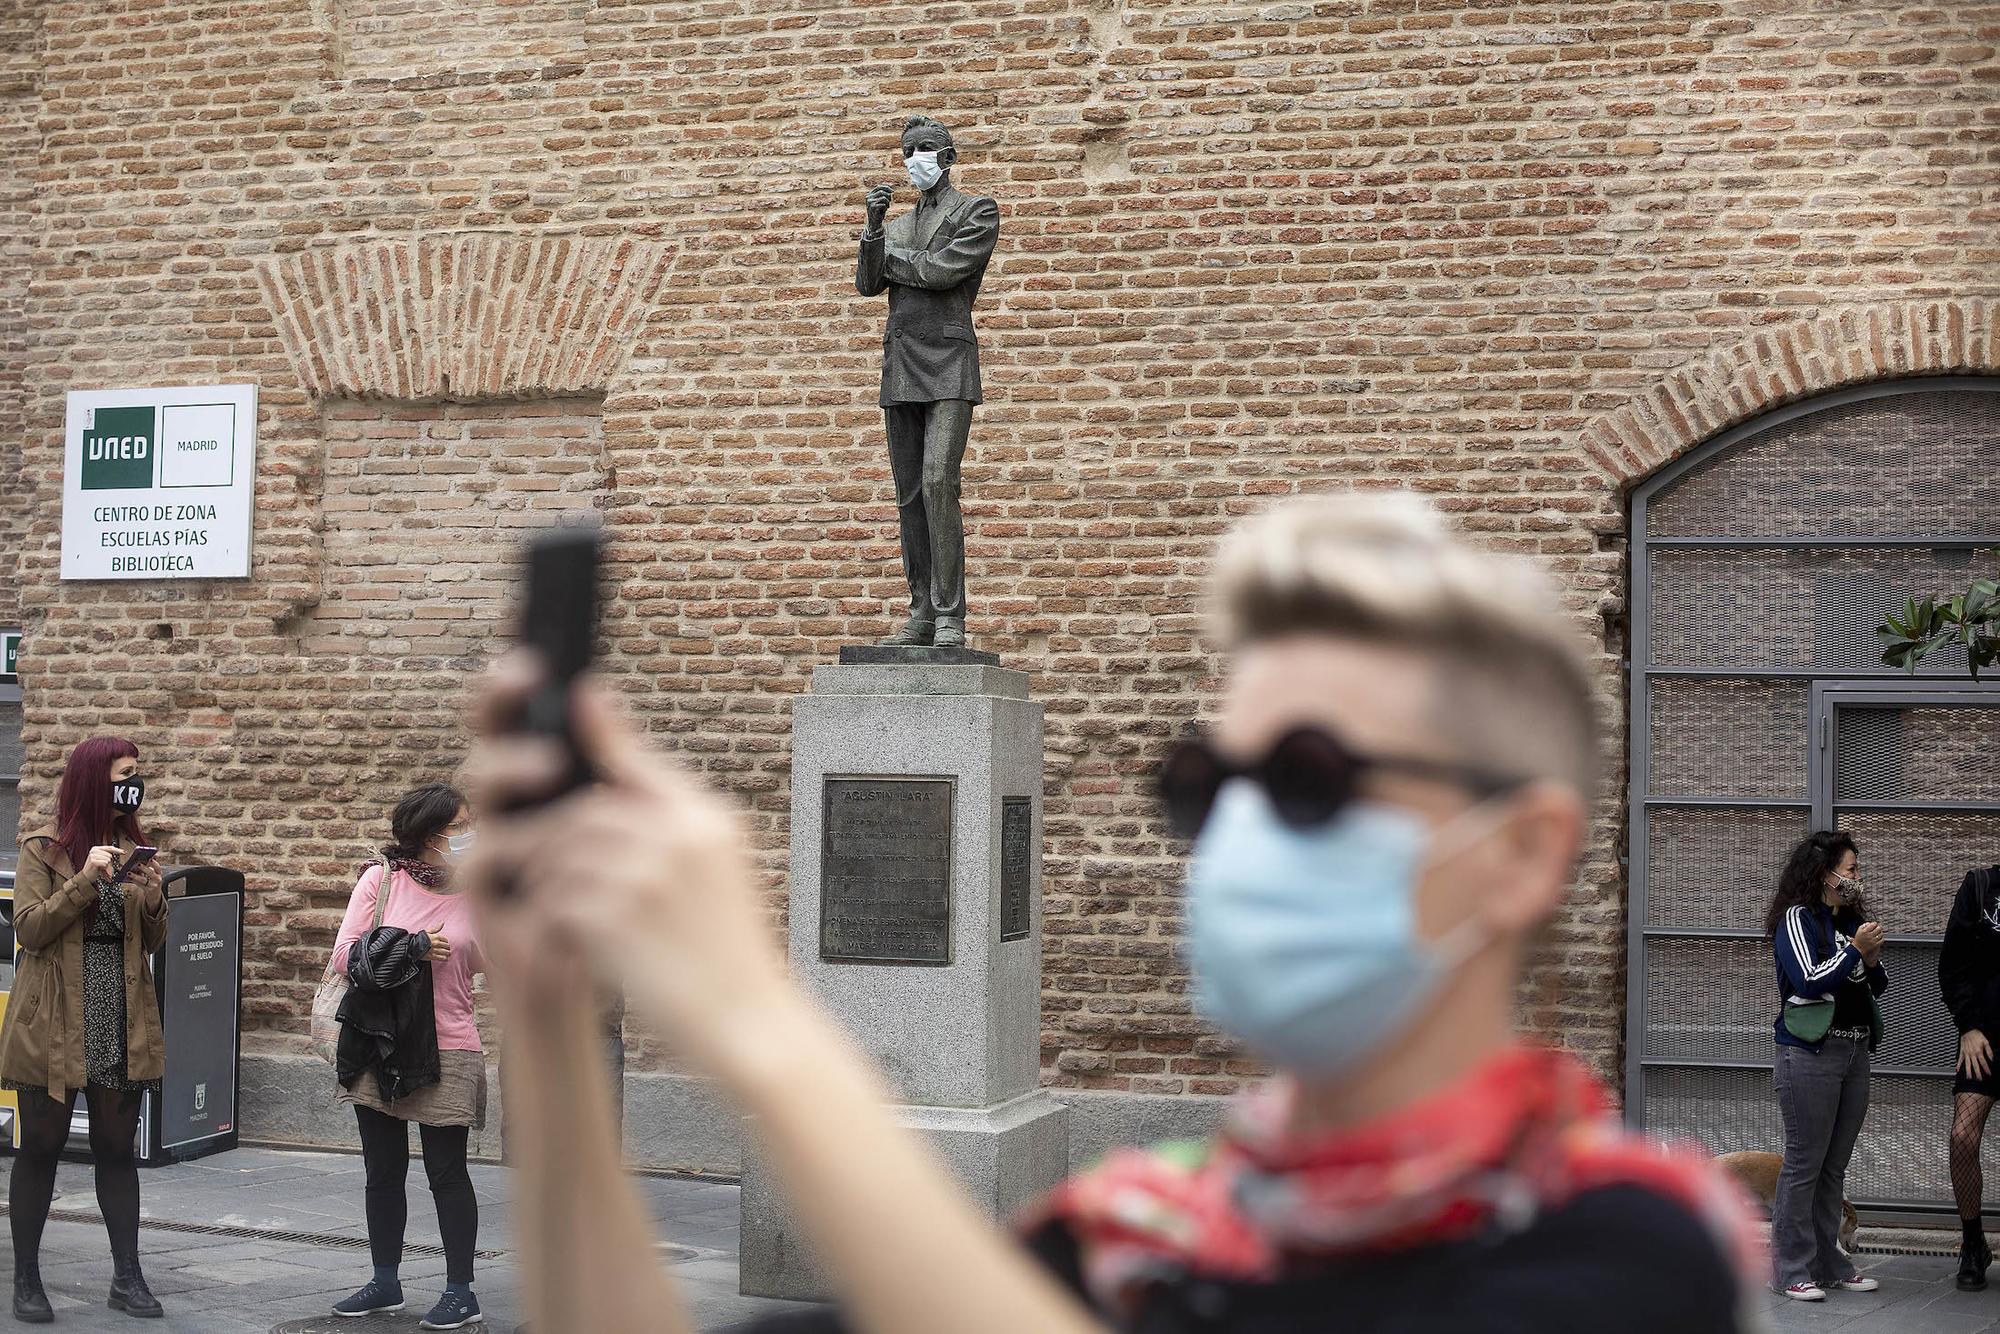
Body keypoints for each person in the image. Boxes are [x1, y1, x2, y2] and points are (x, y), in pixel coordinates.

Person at [463, 492, 1764, 1334]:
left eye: (1308, 779)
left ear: (1521, 852)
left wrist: (765, 1024)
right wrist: (555, 1002)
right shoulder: (1135, 1239)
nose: (1242, 833)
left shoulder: (1635, 1248)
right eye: (1209, 783)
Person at [0, 737, 168, 1322]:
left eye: (138, 774)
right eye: (126, 773)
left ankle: (128, 1275)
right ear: (96, 779)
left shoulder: (132, 848)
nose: (135, 784)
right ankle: (26, 1278)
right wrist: (85, 880)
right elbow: (29, 930)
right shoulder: (43, 850)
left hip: (117, 1018)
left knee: (117, 1149)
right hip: (53, 1017)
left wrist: (150, 898)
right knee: (41, 1147)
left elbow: (150, 943)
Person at [327, 783, 485, 1331]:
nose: (471, 835)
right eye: (460, 827)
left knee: (447, 1171)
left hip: (450, 1040)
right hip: (381, 1038)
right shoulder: (382, 880)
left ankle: (461, 1290)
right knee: (383, 1168)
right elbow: (345, 955)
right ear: (428, 837)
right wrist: (412, 945)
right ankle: (384, 1281)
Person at [855, 113, 1001, 650]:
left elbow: (944, 273)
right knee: (909, 492)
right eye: (908, 149)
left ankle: (949, 614)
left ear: (948, 156)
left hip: (949, 362)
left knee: (941, 480)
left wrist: (892, 258)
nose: (915, 157)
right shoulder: (891, 226)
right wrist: (873, 231)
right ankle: (919, 610)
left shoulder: (977, 210)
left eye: (926, 148)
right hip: (902, 362)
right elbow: (867, 283)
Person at [1764, 830, 1888, 1302]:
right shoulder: (1797, 918)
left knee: (1834, 1165)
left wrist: (1871, 960)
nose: (1856, 878)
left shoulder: (1849, 920)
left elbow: (1874, 988)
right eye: (1851, 869)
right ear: (1825, 873)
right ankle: (1790, 1267)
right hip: (1810, 1053)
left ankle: (1829, 1260)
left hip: (1855, 1050)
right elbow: (1807, 980)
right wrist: (1855, 950)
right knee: (1804, 1162)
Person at [1940, 858, 2000, 1290]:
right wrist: (1968, 1026)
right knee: (1963, 1137)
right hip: (1985, 1042)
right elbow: (1953, 963)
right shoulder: (1980, 887)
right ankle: (1973, 1242)